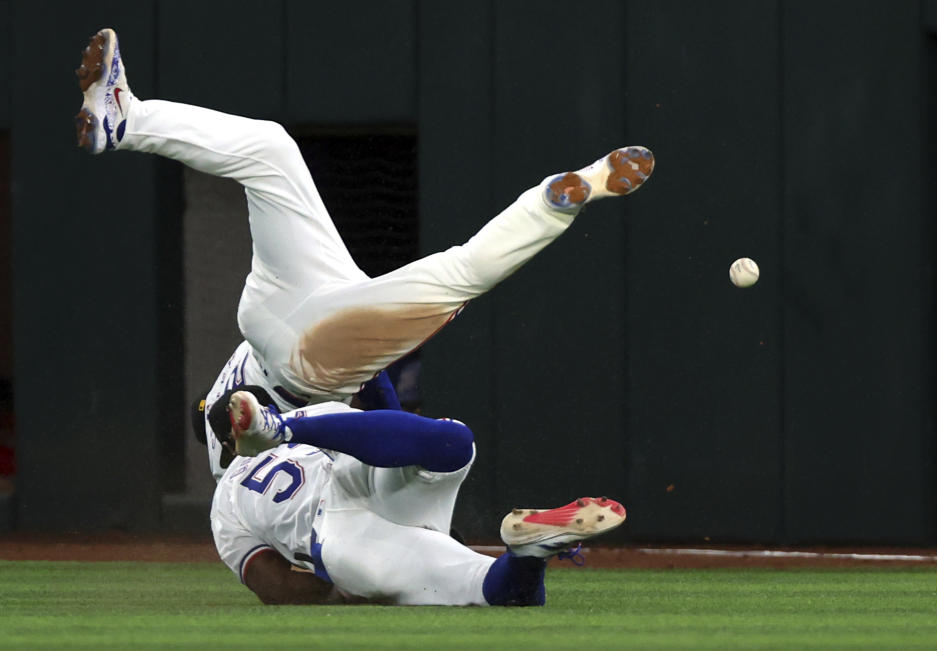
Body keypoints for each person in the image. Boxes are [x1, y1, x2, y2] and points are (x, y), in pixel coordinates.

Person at [75, 28, 655, 481]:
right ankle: (127, 119)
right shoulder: (249, 471)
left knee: (456, 276)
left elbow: (243, 437)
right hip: (279, 320)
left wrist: (411, 440)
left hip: (298, 360)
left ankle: (556, 202)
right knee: (271, 150)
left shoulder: (243, 475)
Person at [210, 389, 626, 606]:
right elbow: (387, 434)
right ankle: (528, 552)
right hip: (352, 481)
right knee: (452, 440)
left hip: (344, 542)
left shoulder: (225, 499)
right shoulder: (314, 412)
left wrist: (345, 594)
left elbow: (274, 586)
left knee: (499, 594)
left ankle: (528, 555)